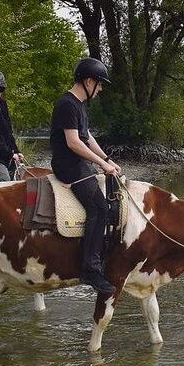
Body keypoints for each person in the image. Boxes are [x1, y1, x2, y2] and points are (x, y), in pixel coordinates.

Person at [50, 58, 123, 294]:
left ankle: (103, 255)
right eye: (99, 84)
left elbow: (87, 137)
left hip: (80, 163)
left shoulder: (79, 104)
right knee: (99, 208)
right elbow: (73, 143)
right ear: (89, 81)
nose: (100, 89)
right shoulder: (67, 104)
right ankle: (89, 270)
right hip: (68, 166)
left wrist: (108, 160)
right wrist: (101, 164)